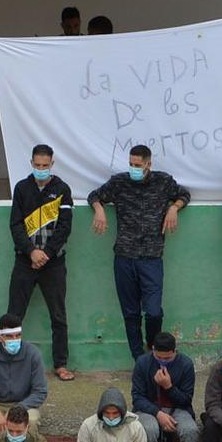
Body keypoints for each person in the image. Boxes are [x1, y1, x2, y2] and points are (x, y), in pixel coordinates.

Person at [87, 145, 191, 360]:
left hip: (151, 258)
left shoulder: (163, 182)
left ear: (148, 164)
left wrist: (173, 208)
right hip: (124, 257)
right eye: (131, 164)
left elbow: (184, 194)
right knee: (131, 313)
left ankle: (153, 349)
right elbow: (95, 195)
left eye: (138, 165)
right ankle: (139, 360)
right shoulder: (119, 182)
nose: (134, 168)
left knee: (153, 312)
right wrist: (99, 209)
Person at [8, 144, 74, 378]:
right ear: (31, 163)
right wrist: (31, 252)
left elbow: (65, 227)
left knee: (58, 315)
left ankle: (61, 364)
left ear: (52, 164)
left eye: (45, 166)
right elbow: (15, 225)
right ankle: (9, 363)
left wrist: (45, 254)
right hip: (24, 261)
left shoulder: (63, 190)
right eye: (37, 165)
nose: (41, 169)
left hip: (54, 263)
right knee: (14, 315)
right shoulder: (22, 188)